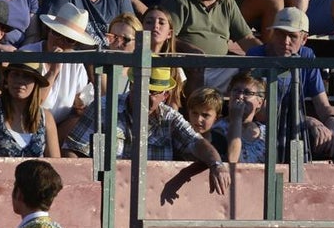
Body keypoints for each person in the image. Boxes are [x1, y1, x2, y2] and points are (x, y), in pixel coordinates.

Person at [62, 64, 230, 198]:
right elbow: (73, 149)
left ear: (165, 95)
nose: (145, 96)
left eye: (152, 92)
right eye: (141, 89)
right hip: (106, 196)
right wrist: (85, 191)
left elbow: (196, 142)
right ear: (132, 85)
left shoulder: (170, 118)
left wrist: (216, 164)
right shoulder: (104, 106)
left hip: (152, 199)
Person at [245, 6, 334, 160]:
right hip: (260, 126)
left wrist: (333, 124)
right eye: (280, 34)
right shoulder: (255, 55)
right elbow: (258, 111)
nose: (285, 41)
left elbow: (323, 104)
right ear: (273, 34)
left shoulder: (306, 56)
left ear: (304, 39)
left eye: (292, 36)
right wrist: (307, 120)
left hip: (292, 127)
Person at [160, 0, 262, 93]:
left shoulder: (227, 1)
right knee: (195, 70)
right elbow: (165, 37)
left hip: (220, 68)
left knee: (256, 78)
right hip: (186, 68)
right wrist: (188, 48)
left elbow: (246, 38)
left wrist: (267, 55)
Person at [28, 1, 96, 138]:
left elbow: (80, 106)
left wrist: (81, 106)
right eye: (57, 33)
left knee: (78, 121)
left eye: (69, 40)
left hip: (59, 129)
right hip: (28, 122)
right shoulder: (28, 54)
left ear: (76, 44)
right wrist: (53, 71)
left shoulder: (76, 66)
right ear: (49, 30)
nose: (61, 41)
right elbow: (32, 104)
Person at [0, 61, 59, 158]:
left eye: (27, 76)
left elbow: (57, 163)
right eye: (15, 74)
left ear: (35, 82)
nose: (20, 80)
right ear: (7, 78)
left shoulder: (46, 117)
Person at [222, 70, 267, 163]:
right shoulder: (218, 129)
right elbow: (232, 160)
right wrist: (236, 119)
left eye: (247, 93)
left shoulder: (266, 133)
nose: (240, 96)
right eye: (236, 91)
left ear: (260, 102)